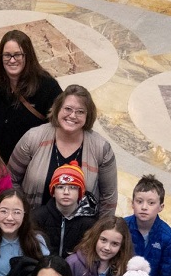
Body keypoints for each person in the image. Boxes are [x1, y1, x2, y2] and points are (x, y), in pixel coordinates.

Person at [8, 85, 117, 217]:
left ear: (88, 116)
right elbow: (10, 179)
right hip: (32, 226)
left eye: (80, 111)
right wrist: (21, 213)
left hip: (80, 231)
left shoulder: (101, 148)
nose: (72, 115)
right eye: (68, 109)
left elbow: (109, 198)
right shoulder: (33, 138)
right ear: (57, 109)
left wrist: (99, 232)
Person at [0, 30, 62, 162]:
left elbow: (59, 123)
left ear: (28, 56)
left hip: (27, 162)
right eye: (7, 55)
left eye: (17, 55)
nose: (12, 60)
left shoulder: (47, 86)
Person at [125, 174, 171, 276]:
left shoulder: (169, 238)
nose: (144, 207)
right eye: (139, 201)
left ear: (161, 207)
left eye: (151, 203)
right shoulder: (122, 227)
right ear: (132, 203)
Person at [34, 163, 98, 258]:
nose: (66, 192)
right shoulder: (38, 217)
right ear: (53, 192)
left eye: (72, 187)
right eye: (60, 187)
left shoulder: (91, 222)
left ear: (80, 193)